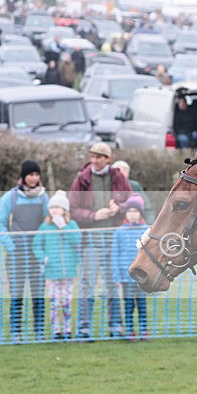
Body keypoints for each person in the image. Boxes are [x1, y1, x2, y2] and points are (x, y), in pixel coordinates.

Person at [69, 143, 133, 340]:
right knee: (87, 284)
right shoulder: (82, 178)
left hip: (113, 239)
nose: (94, 161)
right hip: (91, 241)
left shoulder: (118, 176)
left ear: (108, 158)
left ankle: (115, 327)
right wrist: (93, 215)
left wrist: (119, 207)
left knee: (113, 284)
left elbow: (132, 200)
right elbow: (73, 209)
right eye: (92, 157)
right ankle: (83, 328)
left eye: (99, 157)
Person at [0, 160, 49, 342]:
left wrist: (44, 247)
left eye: (36, 174)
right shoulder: (10, 198)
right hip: (16, 254)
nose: (34, 178)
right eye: (30, 174)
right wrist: (11, 246)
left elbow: (48, 223)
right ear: (23, 176)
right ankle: (16, 330)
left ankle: (39, 330)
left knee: (38, 292)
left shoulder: (43, 198)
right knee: (17, 292)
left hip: (37, 254)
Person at [31, 190, 81, 341]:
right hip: (51, 272)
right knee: (54, 302)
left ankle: (67, 329)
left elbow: (76, 240)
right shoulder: (44, 227)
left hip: (68, 271)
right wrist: (43, 258)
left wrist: (63, 227)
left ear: (64, 209)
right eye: (52, 208)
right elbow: (36, 245)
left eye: (58, 208)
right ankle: (56, 330)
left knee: (67, 301)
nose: (55, 210)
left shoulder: (72, 225)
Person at [111, 194, 150, 341]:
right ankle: (129, 331)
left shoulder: (146, 230)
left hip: (141, 277)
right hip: (126, 276)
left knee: (141, 304)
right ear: (125, 213)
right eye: (129, 211)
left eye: (135, 211)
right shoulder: (119, 232)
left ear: (140, 213)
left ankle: (144, 330)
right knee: (128, 305)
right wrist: (117, 276)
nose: (132, 214)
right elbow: (114, 255)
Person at [111, 160, 155, 224]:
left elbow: (147, 208)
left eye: (121, 173)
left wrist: (150, 225)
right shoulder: (108, 186)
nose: (118, 176)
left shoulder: (134, 186)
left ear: (127, 174)